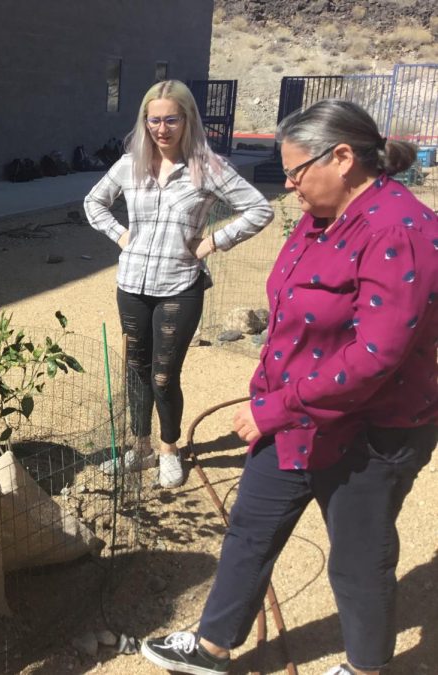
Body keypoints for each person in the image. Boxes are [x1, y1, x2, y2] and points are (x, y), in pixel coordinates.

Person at [141, 100, 437, 675]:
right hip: (292, 417)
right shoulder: (320, 215)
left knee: (357, 558)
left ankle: (365, 668)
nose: (291, 183)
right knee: (251, 530)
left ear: (344, 157)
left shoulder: (399, 230)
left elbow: (375, 357)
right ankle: (211, 648)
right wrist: (275, 396)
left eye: (298, 171)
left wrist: (280, 404)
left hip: (369, 431)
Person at [84, 79, 273, 488]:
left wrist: (212, 242)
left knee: (164, 375)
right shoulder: (129, 164)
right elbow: (93, 202)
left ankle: (169, 448)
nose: (162, 128)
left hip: (179, 285)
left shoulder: (208, 166)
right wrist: (121, 237)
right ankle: (140, 447)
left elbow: (258, 210)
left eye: (171, 119)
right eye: (153, 120)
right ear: (144, 121)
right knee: (136, 369)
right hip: (132, 283)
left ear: (187, 119)